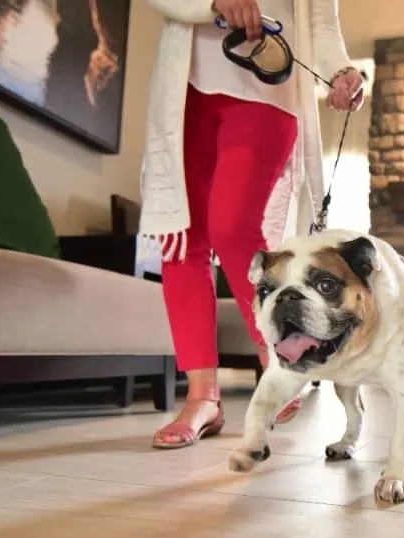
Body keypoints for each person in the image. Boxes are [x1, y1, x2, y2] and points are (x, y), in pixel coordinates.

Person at [140, 0, 364, 449]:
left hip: (269, 90)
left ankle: (281, 362)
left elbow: (320, 20)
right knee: (182, 240)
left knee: (233, 226)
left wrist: (340, 70)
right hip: (186, 85)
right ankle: (203, 396)